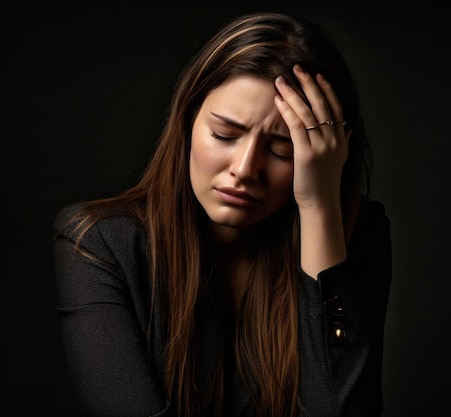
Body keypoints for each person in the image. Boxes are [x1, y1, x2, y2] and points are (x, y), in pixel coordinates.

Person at [53, 11, 392, 417]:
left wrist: (319, 206)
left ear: (327, 154)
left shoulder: (355, 236)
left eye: (284, 149)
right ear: (187, 121)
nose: (245, 169)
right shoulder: (99, 243)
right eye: (224, 134)